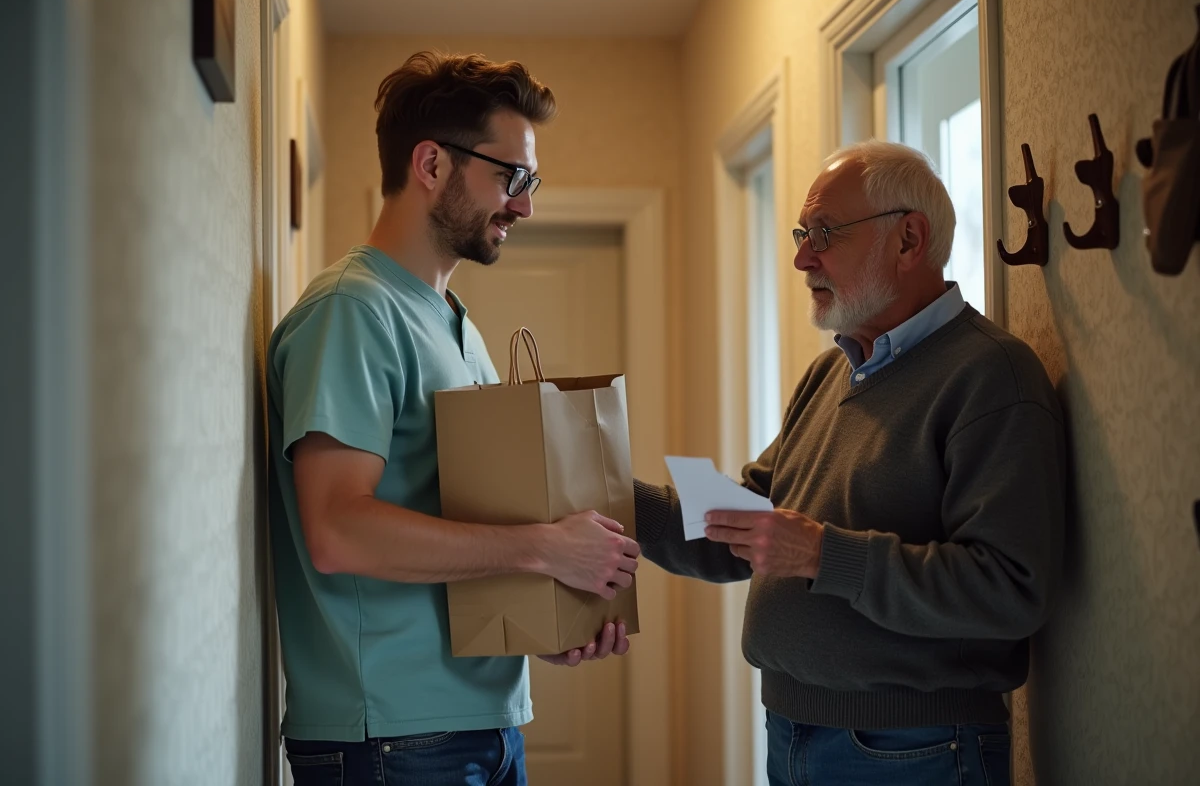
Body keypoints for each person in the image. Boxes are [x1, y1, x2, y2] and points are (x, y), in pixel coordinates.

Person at [636, 140, 1065, 786]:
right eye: (802, 233)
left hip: (912, 749)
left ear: (908, 240)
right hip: (791, 731)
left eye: (824, 233)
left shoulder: (991, 377)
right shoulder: (830, 374)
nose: (802, 257)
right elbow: (739, 531)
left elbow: (1010, 590)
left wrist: (822, 555)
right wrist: (604, 489)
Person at [266, 51, 639, 786]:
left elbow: (459, 531)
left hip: (479, 724)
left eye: (531, 182)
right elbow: (338, 531)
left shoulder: (453, 323)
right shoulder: (353, 312)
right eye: (512, 177)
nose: (525, 204)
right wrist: (543, 550)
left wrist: (543, 620)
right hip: (392, 742)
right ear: (431, 164)